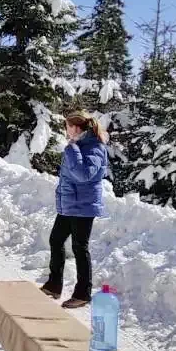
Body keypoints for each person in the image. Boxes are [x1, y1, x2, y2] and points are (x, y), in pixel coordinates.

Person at [41, 112, 109, 309]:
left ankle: (83, 293)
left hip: (84, 206)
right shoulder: (79, 146)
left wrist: (72, 149)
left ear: (77, 128)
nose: (66, 131)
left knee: (80, 248)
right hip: (70, 204)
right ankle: (54, 284)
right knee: (56, 240)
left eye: (68, 126)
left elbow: (83, 174)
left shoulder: (94, 147)